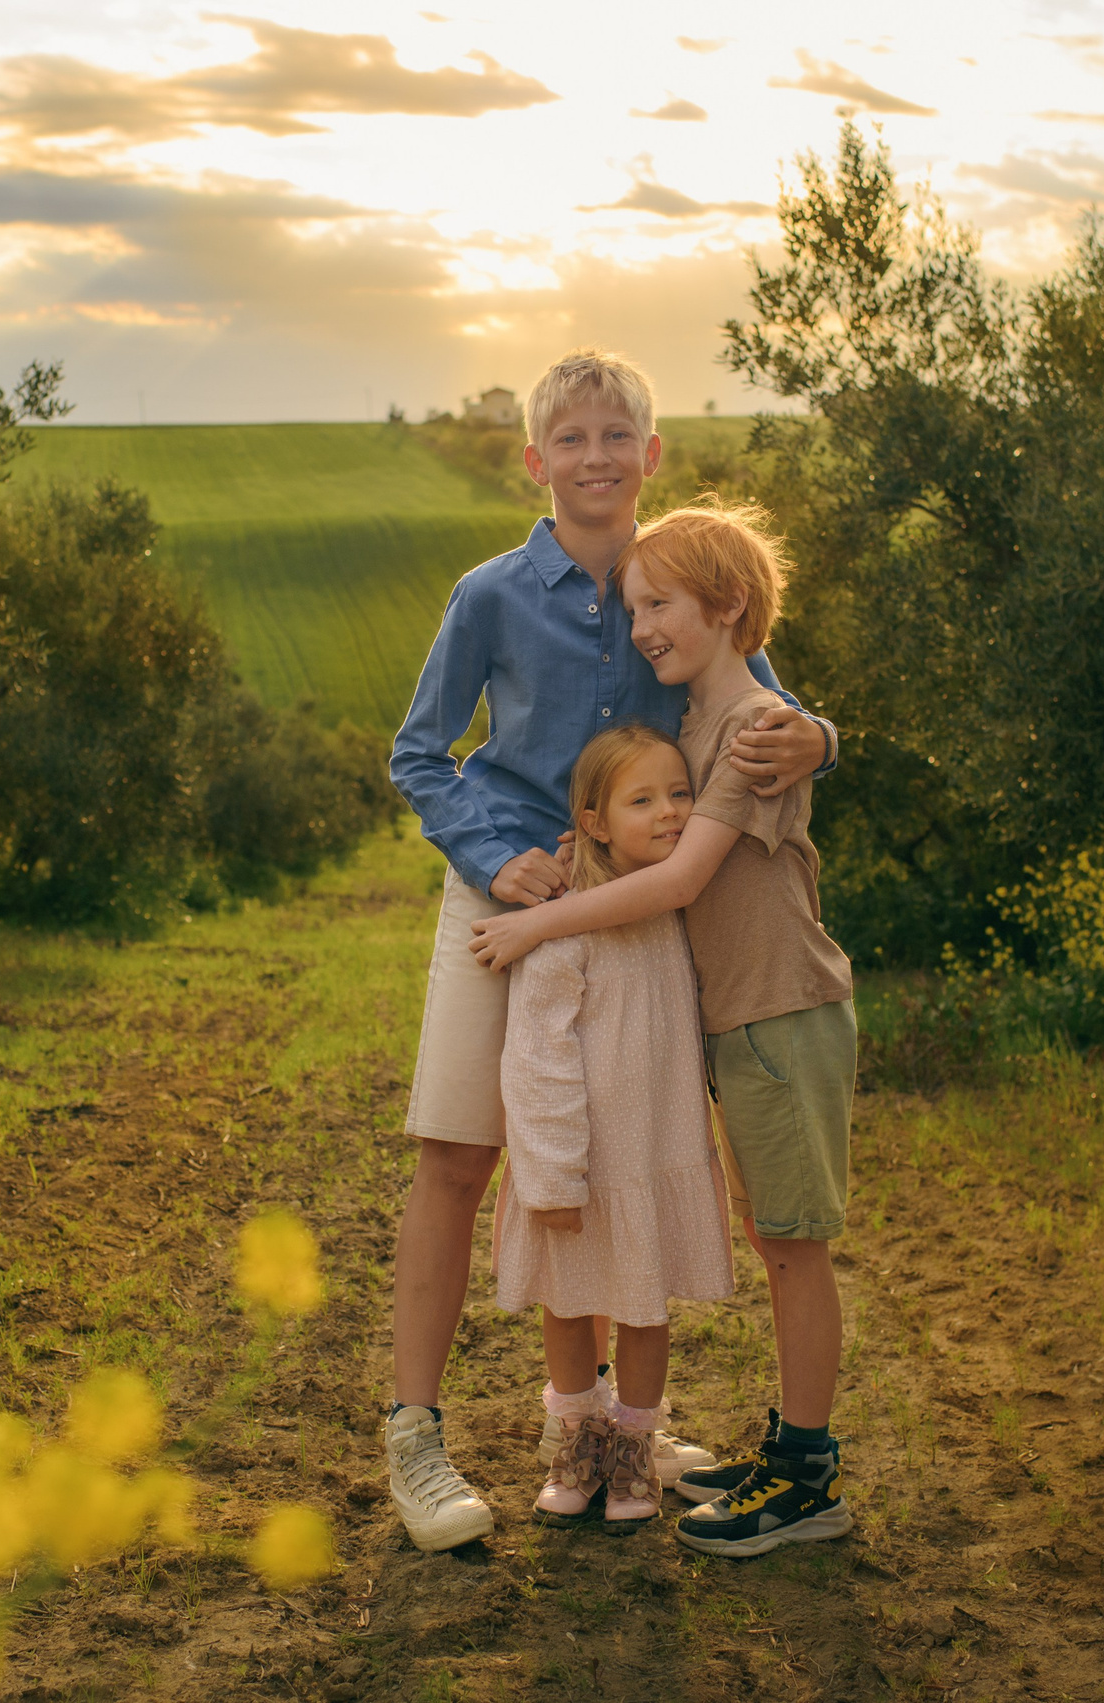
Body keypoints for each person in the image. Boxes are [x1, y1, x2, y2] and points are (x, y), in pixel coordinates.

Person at [383, 349, 837, 1551]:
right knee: (457, 1155)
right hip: (507, 903)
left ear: (652, 453)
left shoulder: (674, 581)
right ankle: (415, 1434)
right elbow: (419, 751)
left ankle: (613, 1430)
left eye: (616, 435)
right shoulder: (489, 594)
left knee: (623, 1158)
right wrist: (496, 858)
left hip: (640, 924)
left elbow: (767, 706)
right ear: (536, 460)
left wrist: (823, 737)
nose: (595, 456)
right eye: (571, 438)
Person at [468, 501, 858, 1558]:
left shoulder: (753, 729)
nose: (638, 627)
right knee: (778, 1236)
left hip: (783, 1009)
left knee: (792, 1246)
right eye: (633, 607)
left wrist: (537, 922)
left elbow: (681, 879)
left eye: (657, 605)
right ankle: (790, 1449)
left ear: (726, 607)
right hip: (741, 1019)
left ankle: (807, 1476)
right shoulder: (701, 726)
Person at [495, 723, 736, 1528]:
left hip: (656, 1150)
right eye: (643, 800)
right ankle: (577, 1437)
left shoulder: (676, 902)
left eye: (680, 793)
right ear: (593, 821)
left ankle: (634, 1443)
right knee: (568, 1304)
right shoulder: (563, 925)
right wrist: (553, 1174)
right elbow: (538, 1058)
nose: (670, 812)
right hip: (583, 1162)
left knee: (643, 1306)